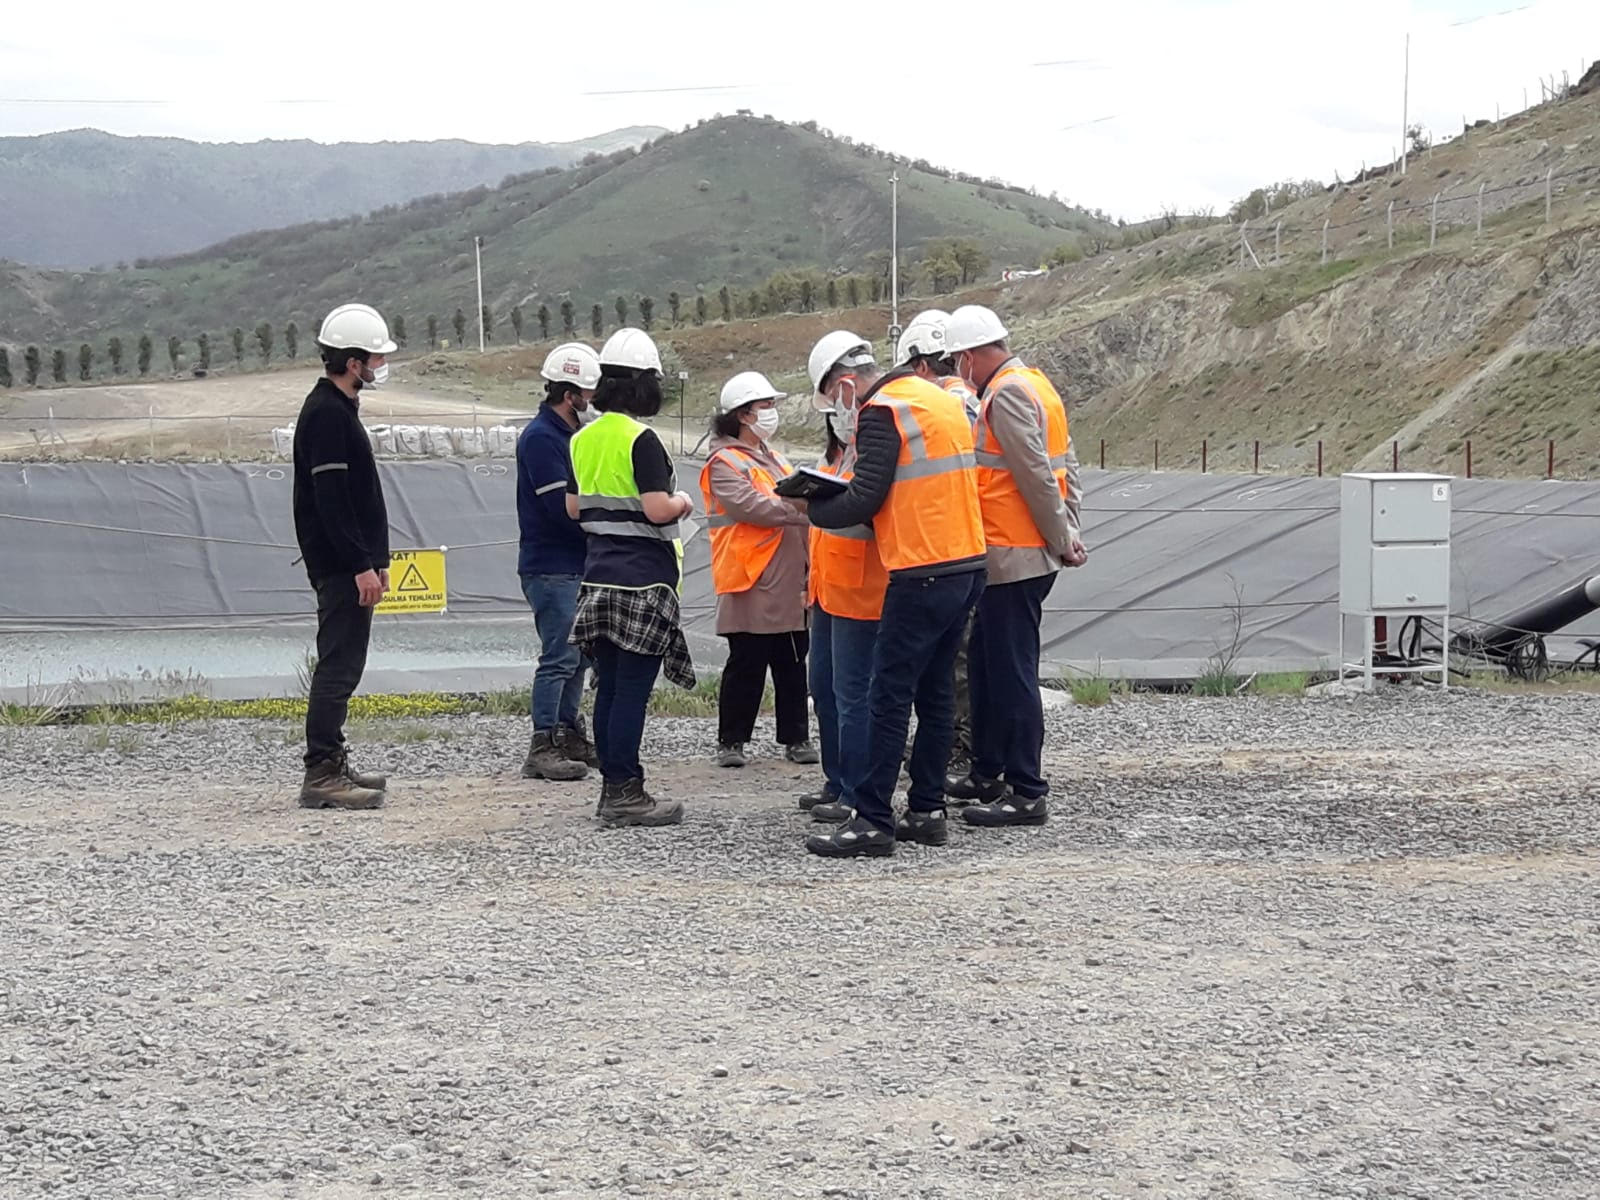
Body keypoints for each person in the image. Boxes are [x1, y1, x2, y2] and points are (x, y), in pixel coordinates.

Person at [801, 331, 987, 858]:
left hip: (921, 569)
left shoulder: (882, 408)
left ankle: (872, 820)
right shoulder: (937, 398)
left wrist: (809, 507)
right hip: (966, 563)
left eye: (836, 398)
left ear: (844, 383)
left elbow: (864, 496)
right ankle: (926, 810)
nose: (841, 408)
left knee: (887, 698)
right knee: (933, 695)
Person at [943, 304, 1086, 829]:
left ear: (971, 356)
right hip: (1013, 552)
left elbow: (1035, 477)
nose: (960, 370)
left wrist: (1061, 537)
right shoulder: (1037, 385)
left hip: (1015, 553)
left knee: (1011, 671)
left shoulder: (1004, 395)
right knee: (986, 662)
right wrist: (1070, 529)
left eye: (959, 360)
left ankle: (1026, 789)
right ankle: (987, 770)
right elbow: (1067, 464)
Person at [566, 327, 695, 827]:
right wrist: (684, 503)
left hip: (597, 578)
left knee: (611, 687)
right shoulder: (640, 439)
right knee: (632, 694)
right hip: (644, 581)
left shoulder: (581, 439)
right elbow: (658, 508)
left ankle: (612, 788)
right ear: (643, 383)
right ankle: (625, 791)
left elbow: (573, 507)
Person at [291, 302, 396, 810]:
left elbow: (357, 499)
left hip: (352, 564)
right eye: (374, 358)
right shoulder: (327, 414)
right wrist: (359, 565)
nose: (379, 366)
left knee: (346, 663)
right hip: (339, 568)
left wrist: (377, 558)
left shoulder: (337, 409)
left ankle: (333, 759)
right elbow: (333, 502)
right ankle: (322, 772)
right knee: (338, 666)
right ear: (353, 363)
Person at [699, 371, 818, 769]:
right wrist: (809, 511)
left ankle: (796, 738)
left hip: (788, 577)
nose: (773, 413)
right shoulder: (723, 462)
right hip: (750, 577)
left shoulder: (773, 456)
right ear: (744, 415)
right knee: (746, 663)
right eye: (766, 406)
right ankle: (732, 741)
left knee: (792, 662)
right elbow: (754, 507)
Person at [801, 337, 890, 824]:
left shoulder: (875, 444)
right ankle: (837, 781)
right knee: (828, 689)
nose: (834, 410)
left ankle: (857, 792)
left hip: (863, 588)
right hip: (828, 590)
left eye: (834, 397)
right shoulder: (838, 455)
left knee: (855, 695)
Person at [895, 310, 981, 778]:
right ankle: (958, 740)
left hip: (951, 544)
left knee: (957, 660)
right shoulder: (968, 399)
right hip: (971, 540)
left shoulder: (944, 404)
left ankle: (960, 744)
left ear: (921, 365)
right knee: (958, 654)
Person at [517, 342, 603, 782]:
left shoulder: (567, 437)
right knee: (559, 655)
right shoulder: (541, 439)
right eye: (586, 394)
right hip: (552, 566)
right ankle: (543, 741)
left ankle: (567, 731)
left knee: (577, 656)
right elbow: (558, 510)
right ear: (569, 395)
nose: (590, 401)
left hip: (571, 563)